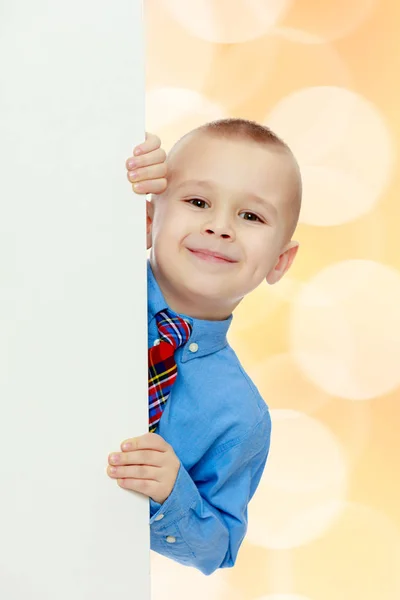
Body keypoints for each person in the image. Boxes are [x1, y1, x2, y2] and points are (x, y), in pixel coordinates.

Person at [106, 119, 302, 575]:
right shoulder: (91, 283)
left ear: (279, 261)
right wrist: (117, 166)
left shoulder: (241, 416)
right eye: (198, 202)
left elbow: (218, 547)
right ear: (151, 219)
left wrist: (172, 491)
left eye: (250, 216)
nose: (219, 227)